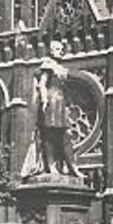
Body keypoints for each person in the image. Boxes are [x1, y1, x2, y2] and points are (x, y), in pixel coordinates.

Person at [23, 40, 82, 179]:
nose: (61, 51)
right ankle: (51, 166)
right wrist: (44, 100)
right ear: (51, 51)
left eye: (62, 49)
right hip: (52, 101)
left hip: (60, 102)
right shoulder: (48, 65)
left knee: (64, 135)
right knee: (49, 134)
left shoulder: (60, 67)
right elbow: (42, 85)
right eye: (58, 49)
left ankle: (72, 166)